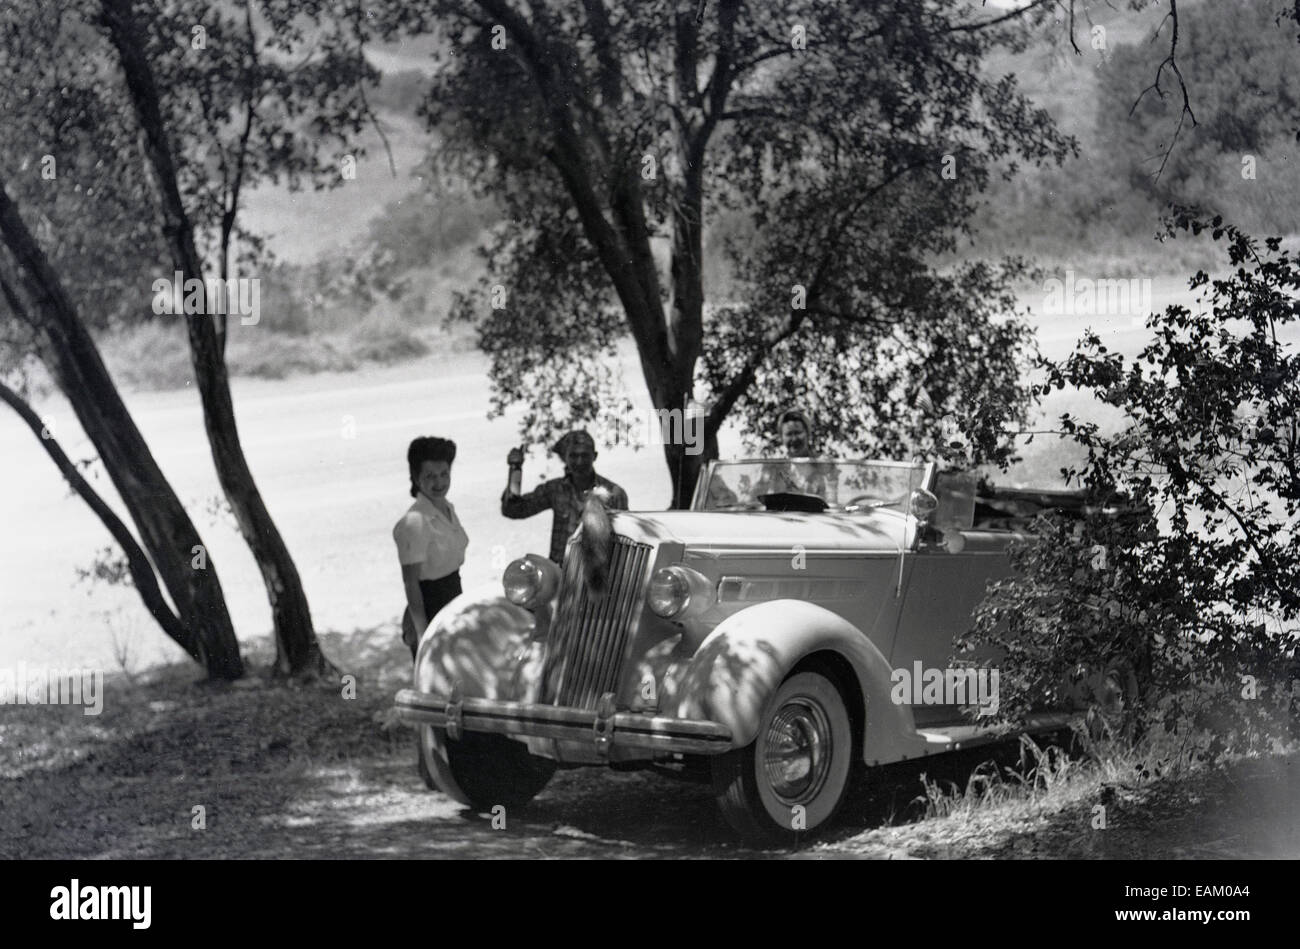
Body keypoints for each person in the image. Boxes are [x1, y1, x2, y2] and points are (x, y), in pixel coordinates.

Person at [502, 429, 628, 564]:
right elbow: (513, 510)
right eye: (573, 456)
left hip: (598, 577)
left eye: (584, 455)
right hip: (560, 575)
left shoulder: (613, 494)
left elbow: (626, 541)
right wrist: (515, 470)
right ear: (566, 458)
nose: (579, 461)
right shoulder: (555, 489)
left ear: (595, 456)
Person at [393, 436, 469, 661]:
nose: (439, 483)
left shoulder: (447, 509)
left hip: (453, 603)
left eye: (444, 474)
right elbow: (411, 582)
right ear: (416, 478)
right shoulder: (415, 522)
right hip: (429, 610)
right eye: (430, 476)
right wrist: (422, 632)